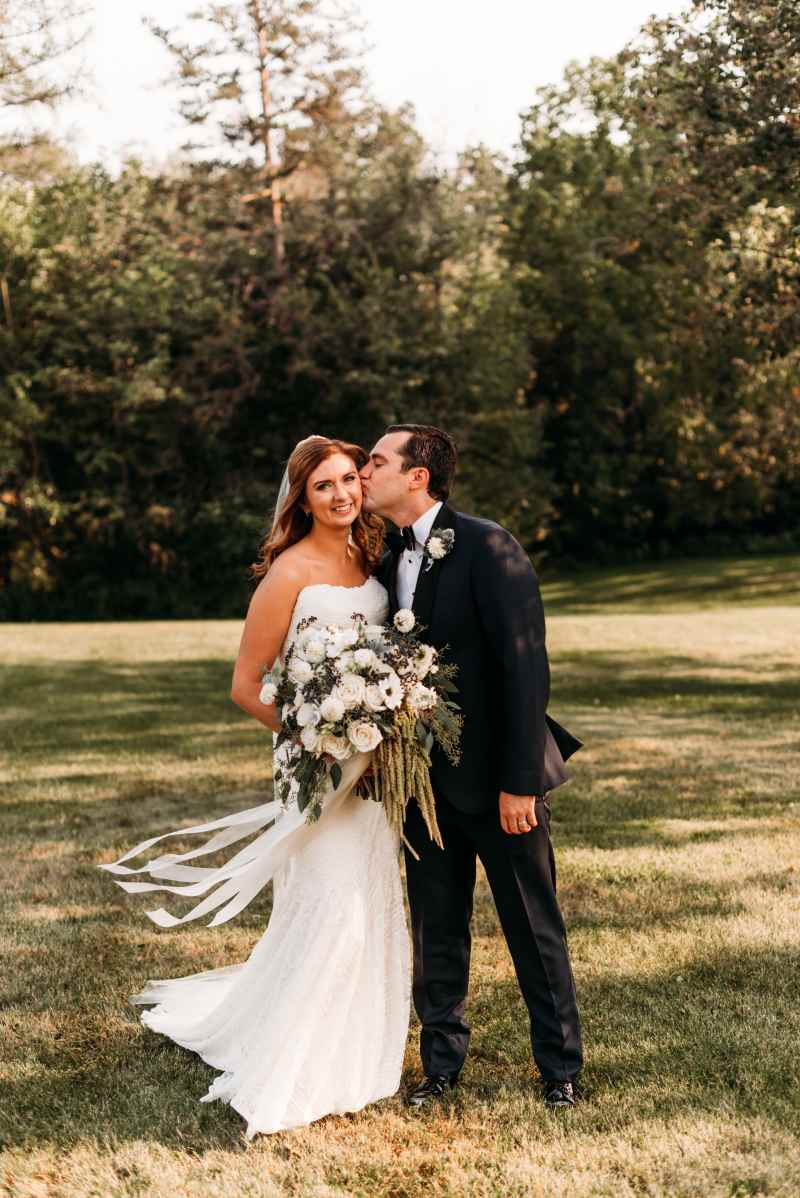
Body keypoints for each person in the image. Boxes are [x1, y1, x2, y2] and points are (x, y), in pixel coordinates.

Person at [98, 436, 411, 1139]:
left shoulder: (372, 559)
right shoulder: (288, 573)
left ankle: (358, 1038)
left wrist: (374, 725)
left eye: (348, 480)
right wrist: (318, 736)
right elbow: (246, 686)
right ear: (302, 499)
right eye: (323, 486)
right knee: (332, 897)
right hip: (313, 761)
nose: (341, 494)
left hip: (372, 764)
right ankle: (303, 1054)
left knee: (369, 895)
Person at [360, 424, 584, 1110]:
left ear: (417, 475)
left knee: (532, 926)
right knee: (436, 929)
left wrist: (521, 783)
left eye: (376, 461)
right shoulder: (383, 558)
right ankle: (440, 1067)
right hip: (421, 785)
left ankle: (560, 1070)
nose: (364, 472)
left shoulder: (489, 546)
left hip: (498, 782)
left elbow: (525, 668)